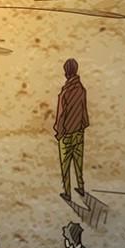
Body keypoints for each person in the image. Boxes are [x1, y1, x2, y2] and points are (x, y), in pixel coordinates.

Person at [52, 59, 88, 200]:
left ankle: (67, 193)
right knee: (79, 163)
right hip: (79, 132)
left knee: (65, 166)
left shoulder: (65, 92)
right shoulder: (82, 90)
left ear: (66, 72)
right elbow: (84, 112)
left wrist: (59, 132)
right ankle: (81, 187)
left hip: (66, 134)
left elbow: (61, 115)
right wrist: (82, 127)